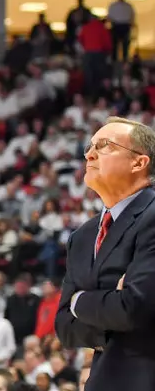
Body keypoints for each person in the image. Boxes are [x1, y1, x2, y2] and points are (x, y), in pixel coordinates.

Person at [55, 116, 155, 391]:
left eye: (105, 145)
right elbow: (64, 325)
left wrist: (79, 302)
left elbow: (135, 307)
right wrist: (112, 305)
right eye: (90, 146)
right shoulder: (82, 237)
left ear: (139, 162)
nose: (89, 153)